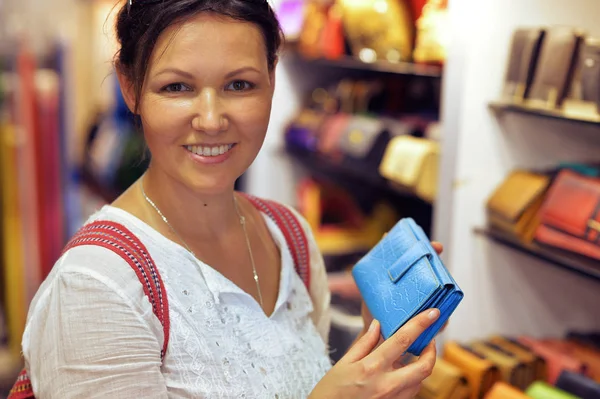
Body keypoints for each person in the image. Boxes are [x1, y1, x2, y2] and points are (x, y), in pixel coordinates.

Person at [20, 0, 445, 397]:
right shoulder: (96, 287)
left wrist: (380, 350)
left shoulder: (290, 236)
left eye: (239, 84)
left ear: (272, 79)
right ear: (130, 88)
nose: (210, 120)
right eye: (177, 87)